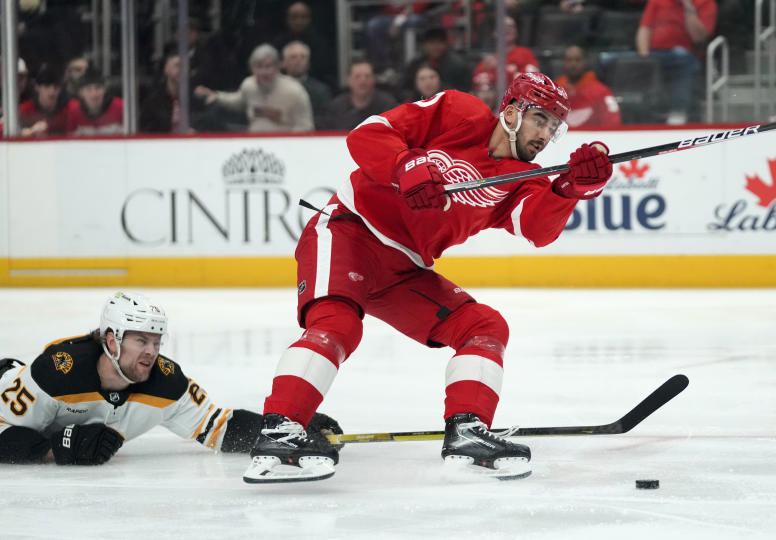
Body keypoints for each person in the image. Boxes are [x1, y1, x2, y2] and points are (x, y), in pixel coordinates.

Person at [242, 72, 614, 484]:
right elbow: (367, 133)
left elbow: (535, 229)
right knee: (337, 324)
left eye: (554, 127)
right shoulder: (458, 112)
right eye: (540, 119)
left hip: (405, 268)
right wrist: (405, 165)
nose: (546, 135)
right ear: (511, 111)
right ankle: (280, 432)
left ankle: (468, 432)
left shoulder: (527, 178)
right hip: (351, 230)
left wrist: (570, 189)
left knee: (484, 326)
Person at [0, 292, 341, 465]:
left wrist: (286, 424)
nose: (151, 352)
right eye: (140, 341)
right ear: (111, 340)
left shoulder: (167, 383)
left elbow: (218, 428)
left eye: (156, 342)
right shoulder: (57, 373)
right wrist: (55, 450)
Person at [195, 44, 314, 133]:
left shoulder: (295, 91)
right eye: (259, 67)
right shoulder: (248, 85)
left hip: (286, 148)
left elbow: (305, 126)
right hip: (254, 145)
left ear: (278, 67)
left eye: (268, 66)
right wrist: (217, 96)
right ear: (252, 69)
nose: (264, 72)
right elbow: (238, 101)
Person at [636, 0, 717, 125]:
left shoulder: (706, 3)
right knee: (610, 60)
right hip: (655, 54)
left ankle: (679, 111)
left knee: (681, 55)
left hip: (688, 54)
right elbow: (645, 29)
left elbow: (698, 37)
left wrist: (688, 6)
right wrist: (644, 56)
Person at [555, 45, 622, 128]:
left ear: (585, 62)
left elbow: (613, 123)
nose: (573, 64)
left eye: (577, 60)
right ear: (563, 62)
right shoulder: (554, 90)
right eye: (569, 60)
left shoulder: (601, 91)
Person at [322, 59, 398, 130]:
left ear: (374, 79)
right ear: (349, 80)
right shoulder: (336, 107)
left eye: (367, 76)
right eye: (357, 77)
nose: (363, 81)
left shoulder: (387, 105)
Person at [471, 16, 539, 91]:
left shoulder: (526, 54)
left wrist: (498, 69)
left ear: (516, 32)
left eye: (511, 26)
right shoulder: (489, 61)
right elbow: (477, 83)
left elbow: (529, 82)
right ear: (494, 32)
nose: (507, 29)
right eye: (503, 27)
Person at [401, 27, 472, 100]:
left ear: (445, 44)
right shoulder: (415, 64)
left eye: (439, 42)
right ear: (424, 45)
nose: (435, 47)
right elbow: (405, 88)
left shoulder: (458, 65)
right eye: (431, 43)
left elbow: (464, 90)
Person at [281, 40, 332, 129]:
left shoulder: (320, 91)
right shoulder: (275, 87)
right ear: (284, 63)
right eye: (293, 57)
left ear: (308, 63)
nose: (298, 61)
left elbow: (324, 119)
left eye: (303, 57)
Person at [64, 68, 124, 136]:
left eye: (98, 88)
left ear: (105, 89)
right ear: (80, 93)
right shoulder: (74, 112)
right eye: (88, 89)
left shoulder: (121, 107)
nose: (94, 94)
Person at [19, 64, 68, 137]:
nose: (52, 92)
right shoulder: (24, 109)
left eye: (56, 87)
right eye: (46, 86)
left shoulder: (69, 109)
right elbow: (6, 131)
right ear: (37, 87)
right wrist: (30, 131)